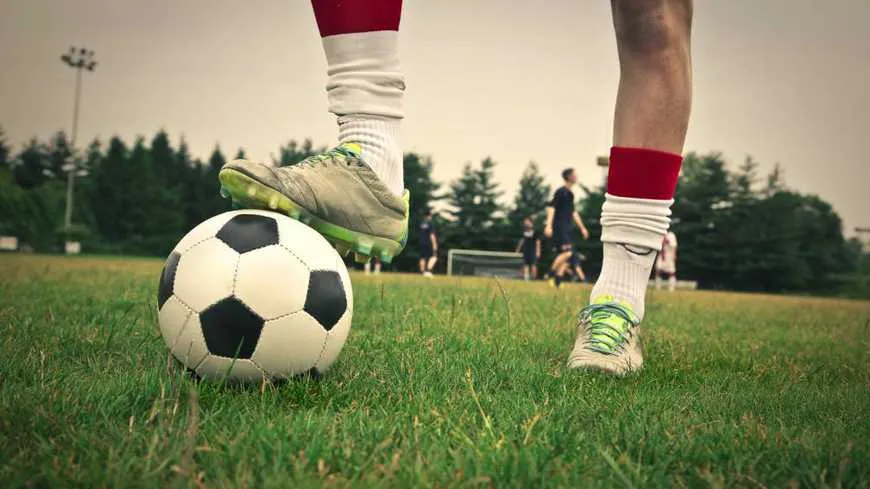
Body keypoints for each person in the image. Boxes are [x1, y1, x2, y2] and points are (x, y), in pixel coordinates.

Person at [219, 0, 693, 375]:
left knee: (650, 16)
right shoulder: (561, 195)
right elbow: (554, 212)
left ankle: (619, 300)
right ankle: (370, 154)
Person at [544, 168, 589, 288]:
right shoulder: (560, 192)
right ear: (569, 177)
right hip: (560, 227)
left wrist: (582, 228)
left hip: (568, 229)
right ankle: (550, 273)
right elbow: (551, 208)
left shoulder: (570, 194)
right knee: (567, 253)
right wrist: (548, 226)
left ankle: (557, 281)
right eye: (575, 174)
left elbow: (574, 212)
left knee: (567, 256)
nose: (577, 176)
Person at [418, 209, 438, 277]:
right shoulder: (430, 223)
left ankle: (423, 272)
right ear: (430, 215)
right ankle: (429, 271)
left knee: (422, 257)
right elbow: (432, 235)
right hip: (428, 243)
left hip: (421, 242)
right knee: (434, 256)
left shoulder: (421, 223)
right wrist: (435, 245)